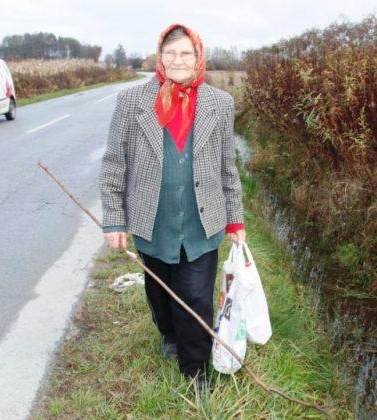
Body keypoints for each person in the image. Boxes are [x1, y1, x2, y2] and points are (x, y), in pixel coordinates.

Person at [98, 23, 246, 393]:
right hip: (154, 220)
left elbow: (228, 166)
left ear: (198, 57)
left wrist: (235, 220)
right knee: (160, 291)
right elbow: (114, 163)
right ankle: (168, 332)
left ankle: (194, 370)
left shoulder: (220, 103)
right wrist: (114, 220)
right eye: (171, 53)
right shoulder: (132, 102)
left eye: (186, 53)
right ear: (160, 57)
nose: (178, 60)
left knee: (195, 296)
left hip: (201, 220)